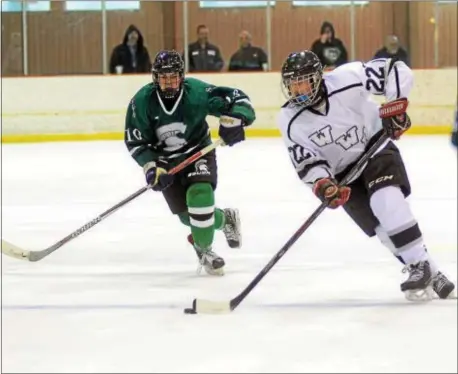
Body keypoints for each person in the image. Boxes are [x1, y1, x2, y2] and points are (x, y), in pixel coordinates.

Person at [277, 50, 455, 301]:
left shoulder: (346, 78)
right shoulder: (289, 119)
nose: (297, 89)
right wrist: (324, 185)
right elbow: (307, 161)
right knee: (382, 229)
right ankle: (430, 272)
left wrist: (396, 106)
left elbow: (395, 69)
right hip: (343, 176)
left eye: (303, 81)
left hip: (375, 150)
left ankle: (419, 266)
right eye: (292, 84)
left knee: (385, 201)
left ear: (318, 77)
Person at [124, 50, 256, 276]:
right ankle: (225, 219)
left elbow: (237, 98)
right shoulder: (141, 102)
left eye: (173, 76)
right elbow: (136, 141)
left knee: (200, 197)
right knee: (188, 218)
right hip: (166, 163)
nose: (169, 82)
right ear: (155, 78)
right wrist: (151, 168)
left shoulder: (196, 92)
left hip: (198, 153)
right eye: (163, 77)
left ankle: (204, 250)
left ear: (182, 76)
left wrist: (237, 118)